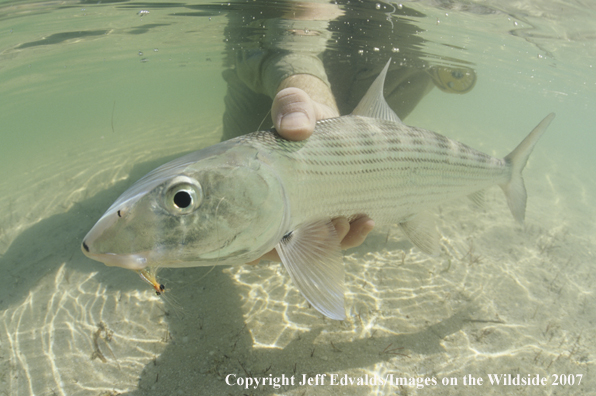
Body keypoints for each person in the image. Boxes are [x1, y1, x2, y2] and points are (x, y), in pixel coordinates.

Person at [217, 1, 477, 264]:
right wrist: (310, 97)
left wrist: (342, 137)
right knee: (233, 168)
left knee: (403, 72)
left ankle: (400, 200)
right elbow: (294, 33)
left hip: (379, 52)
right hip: (267, 69)